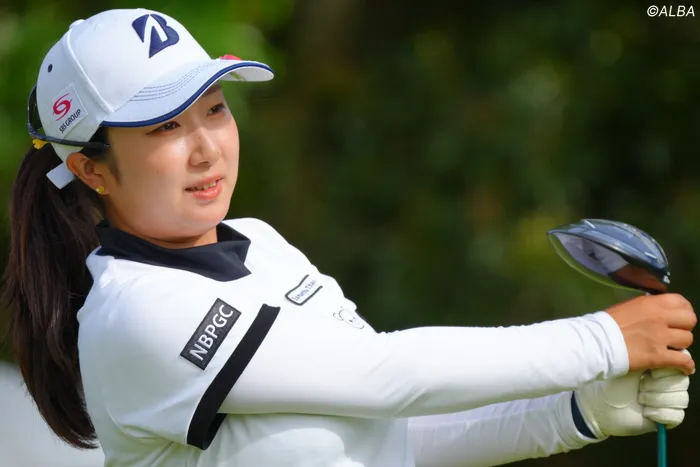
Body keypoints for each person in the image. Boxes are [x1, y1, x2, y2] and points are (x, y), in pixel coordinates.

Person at [1, 7, 695, 467]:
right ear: (91, 168)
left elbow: (392, 436)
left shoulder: (261, 243)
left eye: (214, 110)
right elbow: (388, 378)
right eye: (165, 127)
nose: (207, 148)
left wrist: (577, 411)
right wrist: (602, 340)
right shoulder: (135, 310)